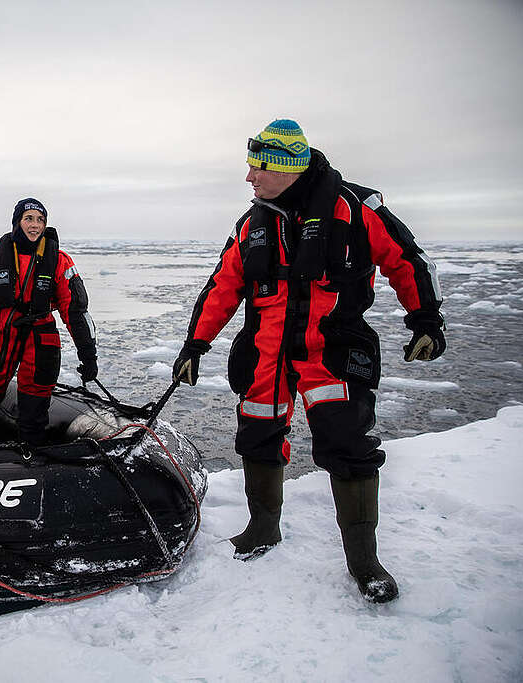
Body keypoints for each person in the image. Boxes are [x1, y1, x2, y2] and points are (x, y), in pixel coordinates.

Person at [173, 119, 445, 603]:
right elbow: (222, 287)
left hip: (332, 348)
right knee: (257, 432)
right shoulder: (251, 223)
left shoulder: (357, 207)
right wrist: (195, 346)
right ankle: (263, 529)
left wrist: (425, 319)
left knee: (348, 446)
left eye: (258, 167)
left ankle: (364, 561)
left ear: (286, 168)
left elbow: (407, 260)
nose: (250, 177)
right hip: (265, 350)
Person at [0, 198, 98, 446]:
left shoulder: (60, 261)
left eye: (40, 220)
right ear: (17, 222)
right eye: (29, 218)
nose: (35, 225)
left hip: (41, 338)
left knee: (35, 406)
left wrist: (88, 355)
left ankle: (31, 458)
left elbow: (76, 312)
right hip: (1, 333)